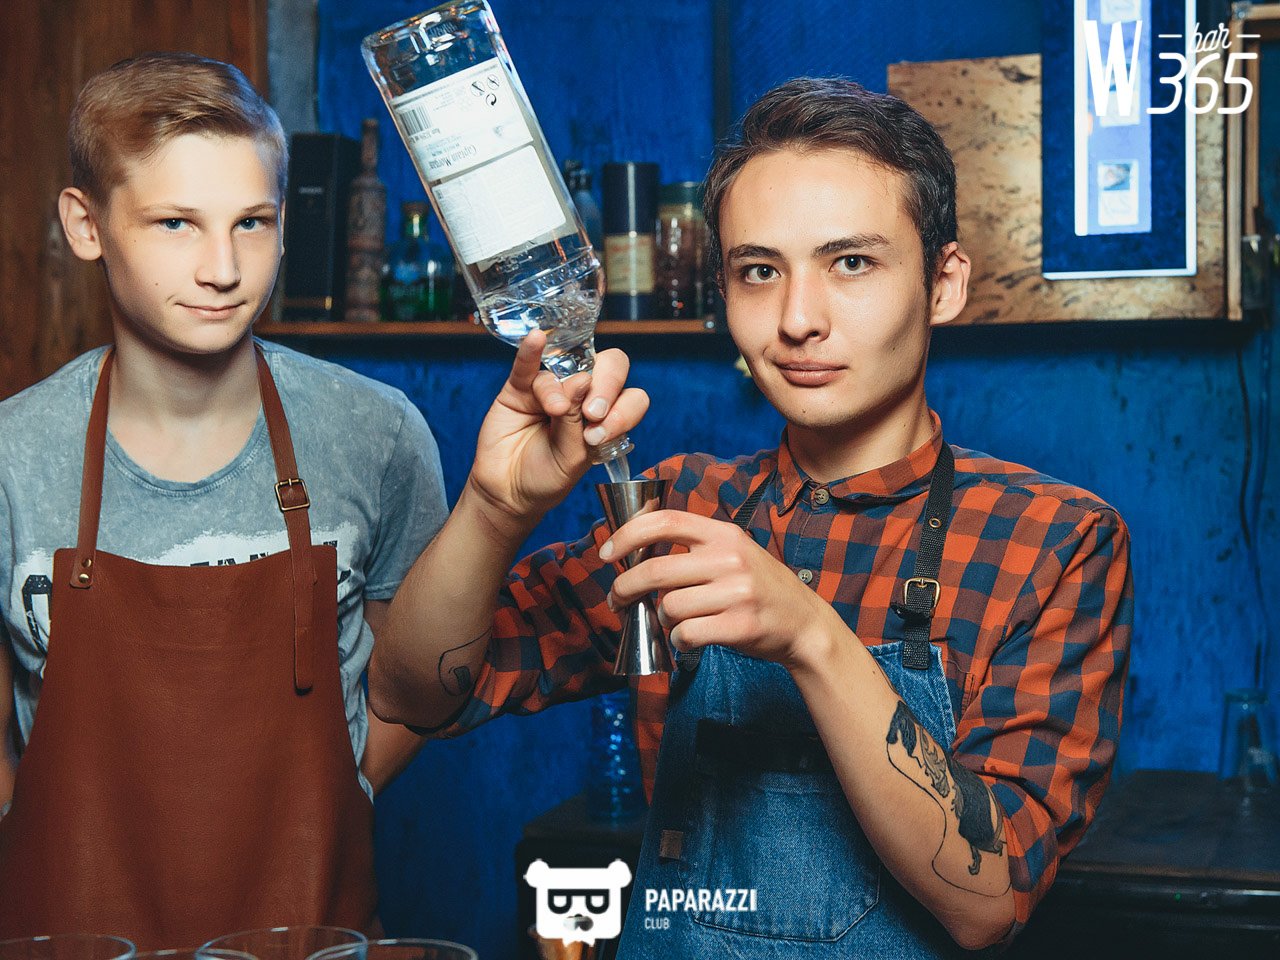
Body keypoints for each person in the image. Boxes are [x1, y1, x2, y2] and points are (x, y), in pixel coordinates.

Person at [371, 77, 1133, 956]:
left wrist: (810, 634)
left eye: (852, 263)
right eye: (759, 271)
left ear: (944, 284)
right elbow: (414, 695)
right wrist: (494, 507)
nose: (797, 320)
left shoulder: (1054, 538)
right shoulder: (681, 506)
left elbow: (987, 899)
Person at [0, 53, 447, 947]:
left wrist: (341, 787)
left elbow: (415, 688)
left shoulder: (379, 434)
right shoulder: (13, 454)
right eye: (175, 223)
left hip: (311, 937)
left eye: (252, 223)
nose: (222, 267)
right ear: (86, 226)